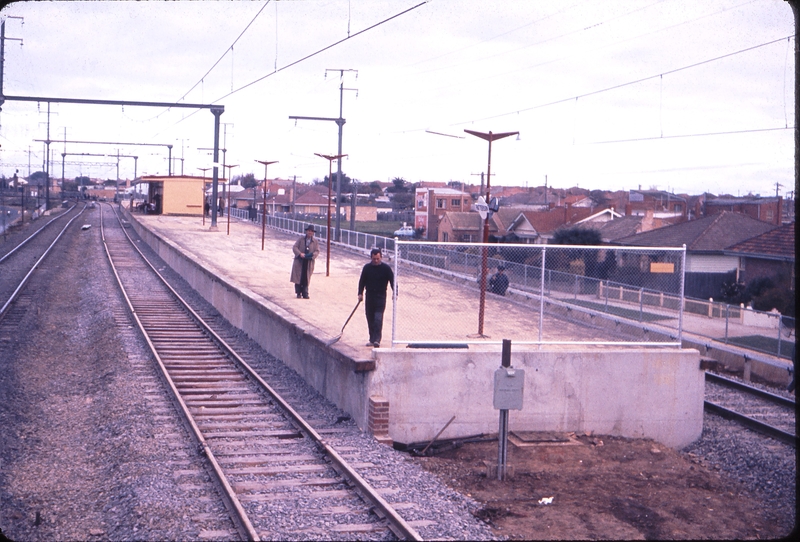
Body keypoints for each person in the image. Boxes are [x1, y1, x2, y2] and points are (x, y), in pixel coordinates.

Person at [358, 248, 395, 347]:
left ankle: (377, 340)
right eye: (374, 259)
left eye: (378, 259)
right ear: (371, 258)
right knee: (370, 318)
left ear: (381, 257)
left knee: (378, 318)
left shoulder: (386, 269)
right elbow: (362, 281)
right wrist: (360, 293)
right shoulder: (367, 268)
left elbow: (393, 281)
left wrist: (395, 292)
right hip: (369, 296)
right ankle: (372, 339)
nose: (376, 261)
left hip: (381, 296)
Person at [290, 224, 320, 299]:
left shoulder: (315, 241)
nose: (310, 232)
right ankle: (298, 292)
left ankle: (305, 293)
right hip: (300, 261)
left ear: (313, 233)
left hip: (308, 262)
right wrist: (300, 254)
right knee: (298, 277)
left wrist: (312, 255)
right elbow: (295, 247)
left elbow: (317, 251)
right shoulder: (301, 239)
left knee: (306, 278)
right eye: (309, 231)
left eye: (311, 231)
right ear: (307, 231)